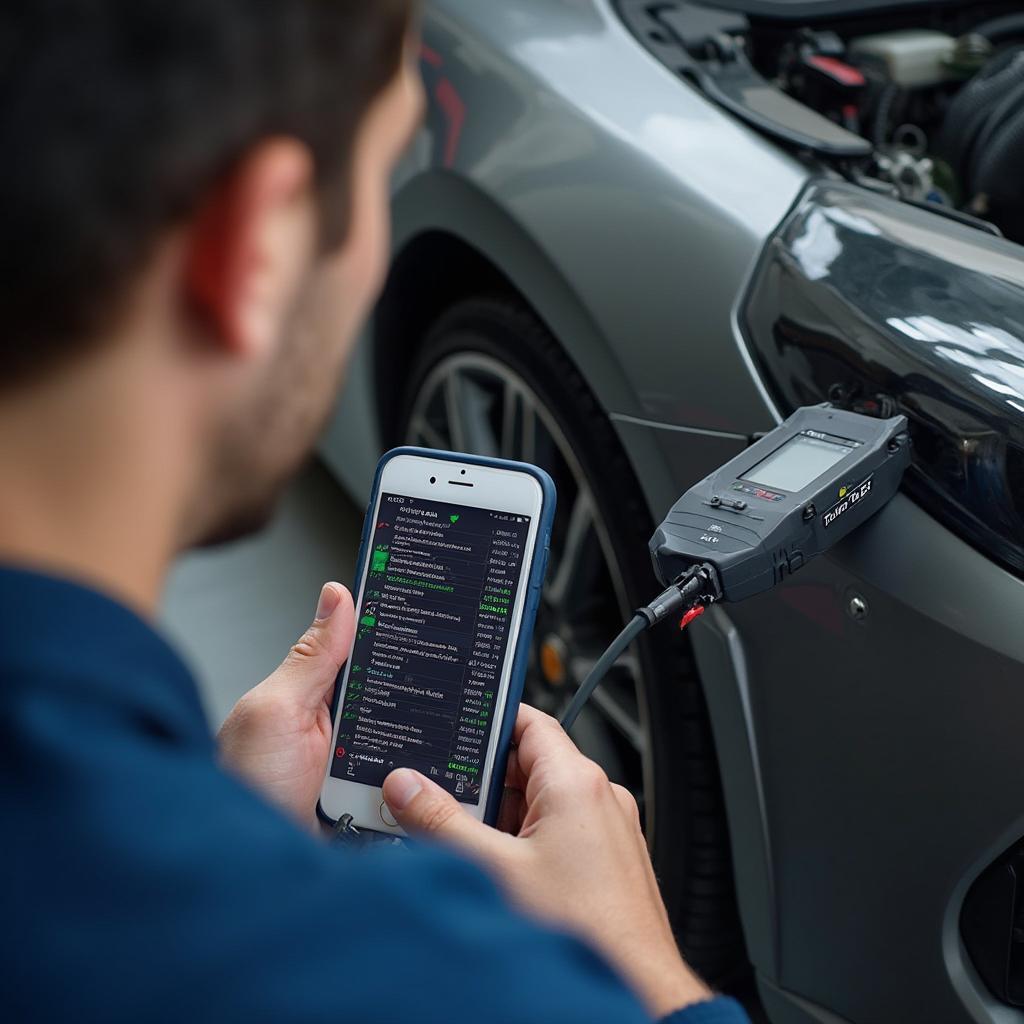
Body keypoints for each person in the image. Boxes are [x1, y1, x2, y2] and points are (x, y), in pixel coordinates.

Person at [0, 3, 749, 1022]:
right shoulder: (436, 980)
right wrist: (645, 980)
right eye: (379, 170)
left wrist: (221, 823)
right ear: (254, 247)